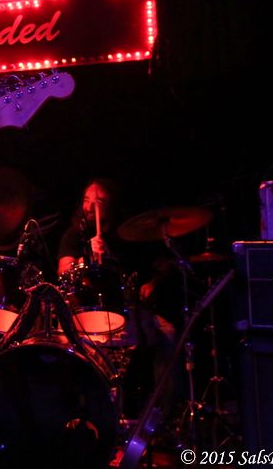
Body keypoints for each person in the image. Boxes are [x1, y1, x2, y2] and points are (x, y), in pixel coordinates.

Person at [56, 179, 180, 417]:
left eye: (99, 201)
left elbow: (161, 264)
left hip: (126, 309)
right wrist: (86, 258)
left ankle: (163, 415)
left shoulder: (127, 235)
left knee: (169, 333)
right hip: (89, 312)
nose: (91, 206)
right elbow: (64, 272)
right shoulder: (74, 235)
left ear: (111, 205)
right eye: (87, 200)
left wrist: (152, 284)